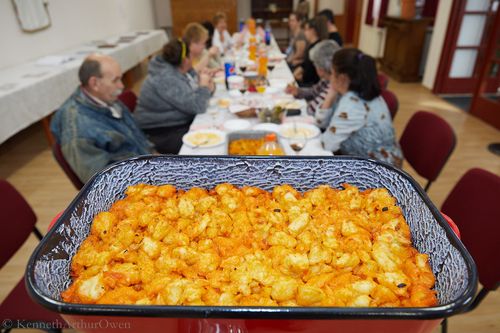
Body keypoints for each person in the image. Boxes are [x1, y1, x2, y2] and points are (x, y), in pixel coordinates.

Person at [50, 54, 154, 183]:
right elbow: (101, 181)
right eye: (115, 80)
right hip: (132, 183)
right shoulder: (77, 129)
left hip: (146, 166)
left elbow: (136, 136)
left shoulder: (105, 97)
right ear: (94, 83)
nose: (121, 86)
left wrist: (155, 158)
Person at [321, 48, 403, 167]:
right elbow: (322, 124)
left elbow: (327, 145)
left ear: (342, 78)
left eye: (332, 73)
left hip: (379, 169)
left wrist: (330, 96)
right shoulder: (361, 90)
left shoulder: (352, 106)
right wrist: (331, 95)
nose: (330, 77)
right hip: (376, 157)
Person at [134, 39, 215, 154]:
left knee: (211, 127)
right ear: (184, 60)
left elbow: (192, 93)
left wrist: (207, 86)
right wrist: (204, 86)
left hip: (172, 123)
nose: (193, 61)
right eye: (191, 56)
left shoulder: (174, 69)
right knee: (207, 144)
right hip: (159, 131)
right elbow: (198, 106)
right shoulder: (166, 77)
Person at [286, 40, 340, 127]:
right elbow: (313, 91)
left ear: (320, 68)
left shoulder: (333, 86)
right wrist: (298, 91)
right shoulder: (327, 78)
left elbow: (311, 110)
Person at [293, 16, 329, 86]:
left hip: (311, 85)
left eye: (306, 29)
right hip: (306, 80)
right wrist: (297, 72)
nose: (304, 32)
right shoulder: (311, 45)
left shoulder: (317, 48)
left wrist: (297, 77)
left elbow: (310, 76)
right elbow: (306, 64)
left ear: (313, 31)